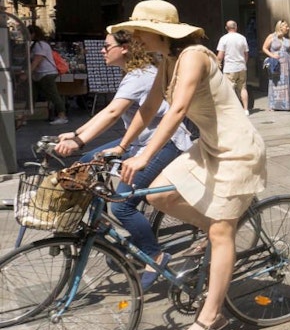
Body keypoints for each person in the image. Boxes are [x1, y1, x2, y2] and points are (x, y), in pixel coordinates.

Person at [111, 0, 266, 330]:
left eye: (138, 29)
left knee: (222, 231)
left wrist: (143, 156)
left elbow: (178, 109)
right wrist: (121, 147)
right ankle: (214, 232)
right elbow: (150, 108)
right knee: (159, 194)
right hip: (209, 146)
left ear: (157, 31)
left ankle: (213, 316)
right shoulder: (165, 60)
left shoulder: (194, 55)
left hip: (236, 149)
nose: (133, 35)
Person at [54, 29, 193, 290]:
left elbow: (113, 112)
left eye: (107, 46)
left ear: (125, 48)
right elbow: (110, 112)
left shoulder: (140, 76)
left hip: (166, 143)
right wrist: (75, 135)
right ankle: (105, 226)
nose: (102, 50)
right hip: (140, 142)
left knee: (122, 206)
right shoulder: (133, 73)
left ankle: (155, 254)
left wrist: (79, 138)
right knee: (87, 162)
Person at [26, 25, 68, 125]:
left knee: (53, 95)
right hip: (38, 75)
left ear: (33, 34)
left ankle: (62, 116)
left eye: (27, 34)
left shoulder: (40, 45)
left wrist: (27, 74)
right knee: (32, 95)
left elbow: (36, 61)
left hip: (46, 73)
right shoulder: (35, 45)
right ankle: (25, 116)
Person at [262, 20, 290, 111]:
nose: (288, 28)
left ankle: (287, 104)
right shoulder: (272, 37)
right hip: (276, 64)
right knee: (275, 83)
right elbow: (264, 48)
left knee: (287, 83)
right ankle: (274, 105)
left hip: (288, 64)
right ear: (280, 27)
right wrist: (272, 55)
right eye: (286, 26)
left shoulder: (288, 39)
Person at [216, 20, 250, 114]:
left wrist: (218, 65)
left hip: (230, 68)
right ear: (236, 27)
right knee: (243, 88)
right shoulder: (242, 38)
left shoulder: (224, 39)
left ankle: (232, 109)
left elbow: (220, 55)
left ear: (226, 28)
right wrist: (244, 63)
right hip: (241, 66)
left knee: (229, 89)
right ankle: (245, 109)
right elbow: (246, 53)